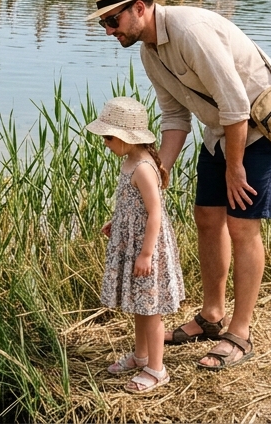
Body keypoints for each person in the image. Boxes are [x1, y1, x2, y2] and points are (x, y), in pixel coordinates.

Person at [92, 0, 271, 372]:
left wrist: (234, 168)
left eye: (113, 21)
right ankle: (212, 315)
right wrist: (157, 169)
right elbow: (174, 117)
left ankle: (240, 333)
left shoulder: (189, 31)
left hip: (259, 128)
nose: (109, 31)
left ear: (139, 8)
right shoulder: (150, 53)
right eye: (103, 23)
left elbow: (237, 103)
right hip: (221, 130)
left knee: (242, 226)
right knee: (206, 217)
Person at [88, 96, 184, 395]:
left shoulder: (143, 167)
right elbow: (135, 207)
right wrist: (117, 222)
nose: (105, 143)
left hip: (147, 248)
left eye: (108, 137)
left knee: (151, 309)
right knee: (140, 306)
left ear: (126, 138)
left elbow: (155, 211)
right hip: (135, 241)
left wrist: (146, 253)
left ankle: (157, 369)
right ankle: (140, 356)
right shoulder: (130, 161)